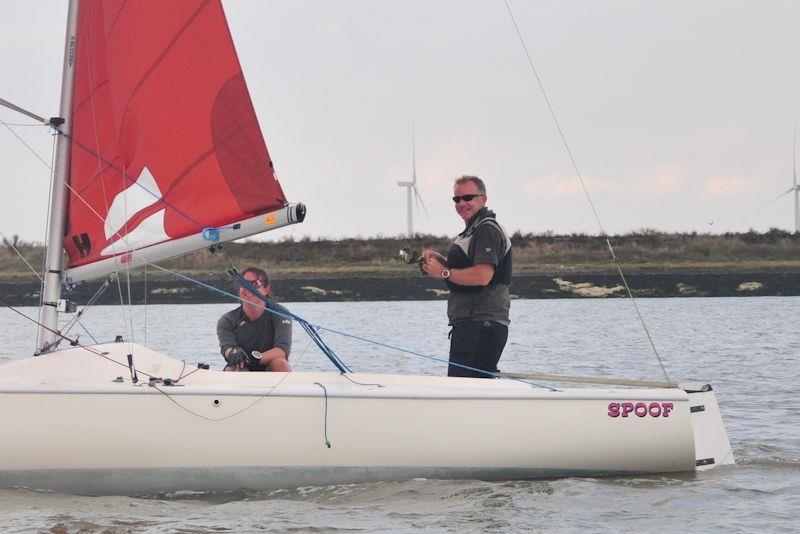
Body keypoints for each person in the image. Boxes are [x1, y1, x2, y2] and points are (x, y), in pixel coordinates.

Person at [421, 175, 512, 378]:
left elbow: (482, 276)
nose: (462, 203)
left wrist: (443, 272)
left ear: (483, 199)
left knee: (464, 390)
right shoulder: (473, 230)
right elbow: (468, 269)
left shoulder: (487, 229)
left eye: (468, 197)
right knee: (466, 390)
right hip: (470, 324)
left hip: (481, 325)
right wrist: (440, 260)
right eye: (457, 199)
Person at [217, 266, 292, 372]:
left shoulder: (280, 314)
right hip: (242, 367)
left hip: (269, 365)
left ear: (266, 289)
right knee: (234, 369)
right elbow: (226, 348)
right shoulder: (227, 319)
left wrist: (256, 358)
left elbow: (282, 351)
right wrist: (233, 352)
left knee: (281, 364)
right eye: (244, 284)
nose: (248, 288)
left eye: (255, 284)